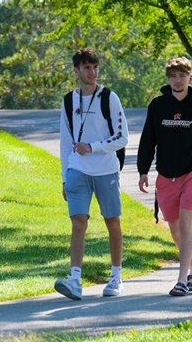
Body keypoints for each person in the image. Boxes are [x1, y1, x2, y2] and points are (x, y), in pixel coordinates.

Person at [137, 56, 192, 297]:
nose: (177, 80)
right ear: (168, 79)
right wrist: (143, 170)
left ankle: (182, 280)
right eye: (173, 76)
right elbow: (147, 141)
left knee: (186, 225)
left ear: (190, 77)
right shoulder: (157, 106)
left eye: (181, 75)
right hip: (166, 176)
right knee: (175, 232)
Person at [55, 47, 129, 300]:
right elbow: (66, 142)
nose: (92, 72)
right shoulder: (68, 101)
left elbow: (122, 138)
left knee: (112, 221)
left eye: (95, 67)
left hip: (106, 168)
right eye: (87, 67)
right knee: (78, 222)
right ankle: (75, 279)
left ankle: (116, 277)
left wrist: (93, 147)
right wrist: (65, 177)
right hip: (77, 169)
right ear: (76, 71)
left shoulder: (109, 98)